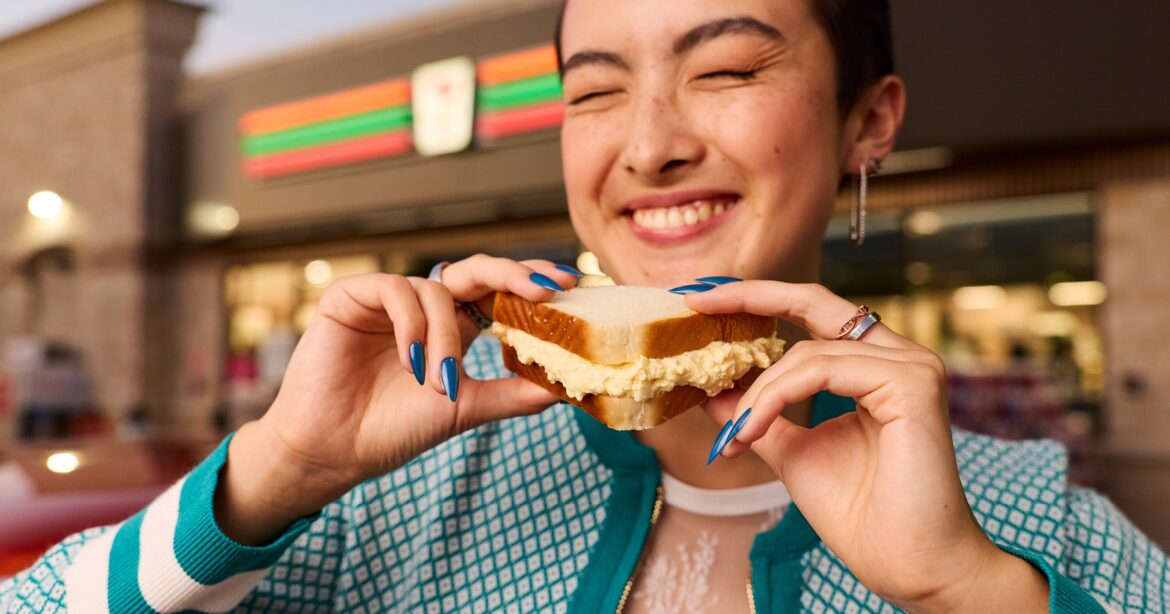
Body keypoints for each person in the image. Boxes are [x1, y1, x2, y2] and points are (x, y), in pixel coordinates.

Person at [3, 0, 1166, 612]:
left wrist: (969, 594)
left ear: (869, 119)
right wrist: (279, 469)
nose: (649, 146)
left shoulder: (1033, 528)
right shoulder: (402, 484)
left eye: (726, 69)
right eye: (595, 92)